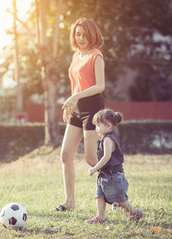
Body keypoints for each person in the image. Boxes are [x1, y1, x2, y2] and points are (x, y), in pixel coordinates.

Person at [56, 18, 105, 211]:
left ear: (93, 34)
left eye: (85, 34)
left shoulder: (96, 55)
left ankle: (118, 196)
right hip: (77, 109)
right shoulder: (76, 57)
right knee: (66, 155)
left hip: (93, 109)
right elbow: (75, 83)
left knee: (92, 159)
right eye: (78, 34)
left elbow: (100, 86)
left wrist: (75, 96)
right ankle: (69, 202)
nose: (81, 38)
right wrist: (71, 103)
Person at [85, 109, 143, 224]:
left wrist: (94, 168)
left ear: (108, 126)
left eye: (98, 125)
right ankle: (101, 217)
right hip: (105, 175)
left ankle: (134, 212)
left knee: (120, 200)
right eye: (96, 125)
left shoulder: (108, 139)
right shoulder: (104, 138)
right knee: (99, 196)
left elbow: (106, 157)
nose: (96, 128)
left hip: (113, 176)